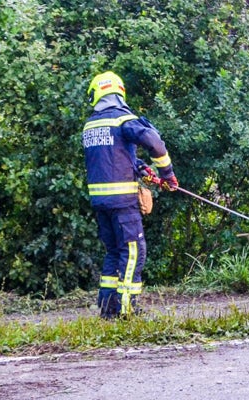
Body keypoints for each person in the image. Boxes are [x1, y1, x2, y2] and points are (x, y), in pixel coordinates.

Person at [82, 71, 178, 318]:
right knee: (134, 252)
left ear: (96, 94)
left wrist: (141, 168)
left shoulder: (91, 125)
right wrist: (167, 174)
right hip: (123, 202)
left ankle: (107, 310)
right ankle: (127, 310)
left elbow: (113, 158)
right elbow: (154, 142)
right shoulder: (123, 120)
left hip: (100, 202)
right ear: (120, 92)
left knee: (114, 253)